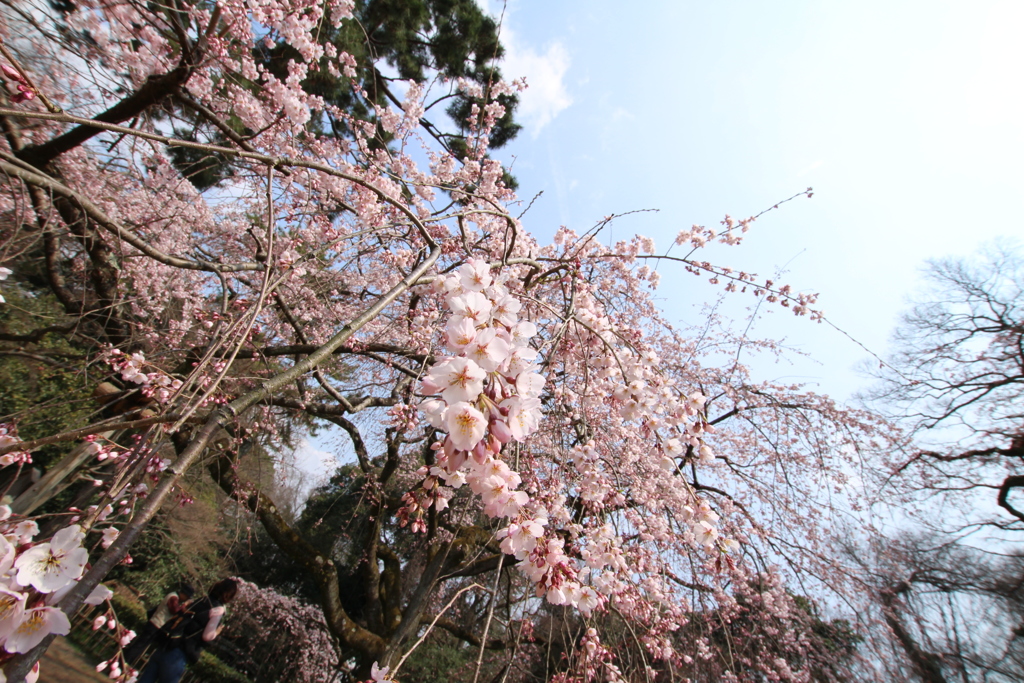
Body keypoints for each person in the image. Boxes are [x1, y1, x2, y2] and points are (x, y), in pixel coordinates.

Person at [138, 578, 238, 683]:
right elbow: (206, 636)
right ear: (229, 596)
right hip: (178, 655)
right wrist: (216, 632)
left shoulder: (201, 600)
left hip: (166, 645)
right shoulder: (218, 610)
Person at [124, 582, 195, 667]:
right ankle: (125, 661)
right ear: (183, 593)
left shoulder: (173, 596)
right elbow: (175, 611)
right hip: (155, 625)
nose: (185, 599)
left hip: (155, 625)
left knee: (141, 646)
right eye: (186, 597)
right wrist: (184, 606)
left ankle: (127, 662)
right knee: (139, 645)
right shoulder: (173, 598)